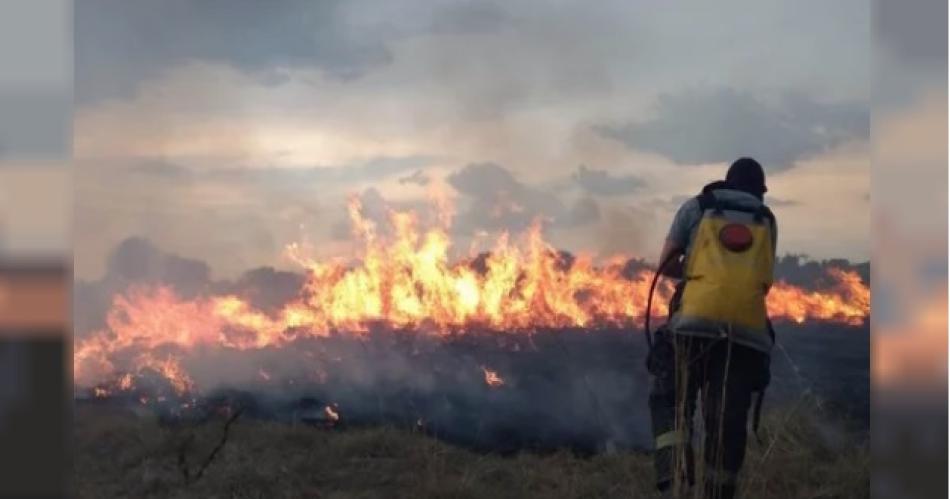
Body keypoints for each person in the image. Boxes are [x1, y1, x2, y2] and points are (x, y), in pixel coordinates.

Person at [647, 157, 777, 499]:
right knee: (727, 420)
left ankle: (675, 481)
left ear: (726, 183)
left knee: (671, 399)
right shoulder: (766, 220)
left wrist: (695, 267)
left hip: (693, 326)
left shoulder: (697, 208)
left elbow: (665, 265)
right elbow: (762, 283)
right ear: (758, 192)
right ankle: (718, 493)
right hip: (747, 335)